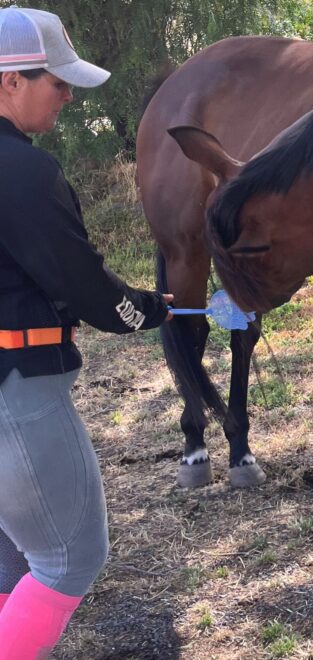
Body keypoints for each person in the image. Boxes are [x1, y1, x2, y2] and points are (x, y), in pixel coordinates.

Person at [0, 7, 173, 657]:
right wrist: (147, 309)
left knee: (16, 557)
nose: (69, 96)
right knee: (71, 557)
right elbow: (87, 290)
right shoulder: (22, 171)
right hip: (18, 394)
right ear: (11, 81)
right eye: (59, 81)